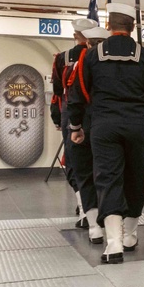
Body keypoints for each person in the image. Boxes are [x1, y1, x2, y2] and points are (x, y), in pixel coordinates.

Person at [67, 3, 144, 264]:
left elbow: (78, 96)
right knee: (133, 178)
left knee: (107, 179)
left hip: (103, 127)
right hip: (136, 127)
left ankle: (113, 244)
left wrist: (76, 127)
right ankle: (130, 235)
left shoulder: (92, 56)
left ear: (109, 26)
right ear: (132, 28)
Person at [64, 25, 110, 244]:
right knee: (111, 177)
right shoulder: (115, 67)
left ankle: (93, 226)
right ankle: (121, 232)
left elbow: (72, 99)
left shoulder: (80, 64)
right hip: (109, 128)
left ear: (87, 43)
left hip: (85, 127)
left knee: (84, 175)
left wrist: (74, 127)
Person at [51, 17, 96, 223]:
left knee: (76, 163)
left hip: (72, 114)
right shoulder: (98, 57)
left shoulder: (62, 58)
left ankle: (85, 210)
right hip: (97, 114)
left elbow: (58, 92)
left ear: (75, 35)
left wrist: (58, 117)